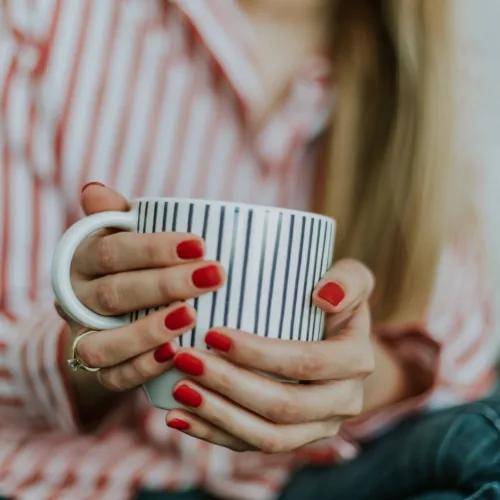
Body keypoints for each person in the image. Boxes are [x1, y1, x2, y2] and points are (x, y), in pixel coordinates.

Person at [0, 0, 499, 499]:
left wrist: (349, 377)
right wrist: (87, 346)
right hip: (87, 480)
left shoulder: (426, 68)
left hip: (312, 478)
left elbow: (463, 355)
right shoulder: (48, 20)